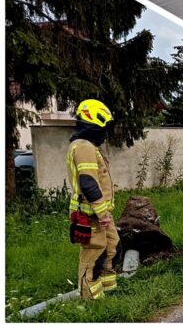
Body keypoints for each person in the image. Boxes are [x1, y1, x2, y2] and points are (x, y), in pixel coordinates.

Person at [66, 99, 119, 300]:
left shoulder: (88, 146)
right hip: (90, 213)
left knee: (111, 244)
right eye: (104, 127)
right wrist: (103, 213)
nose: (105, 132)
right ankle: (90, 298)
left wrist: (104, 213)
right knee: (94, 253)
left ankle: (108, 290)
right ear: (94, 123)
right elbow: (88, 183)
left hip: (99, 213)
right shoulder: (83, 147)